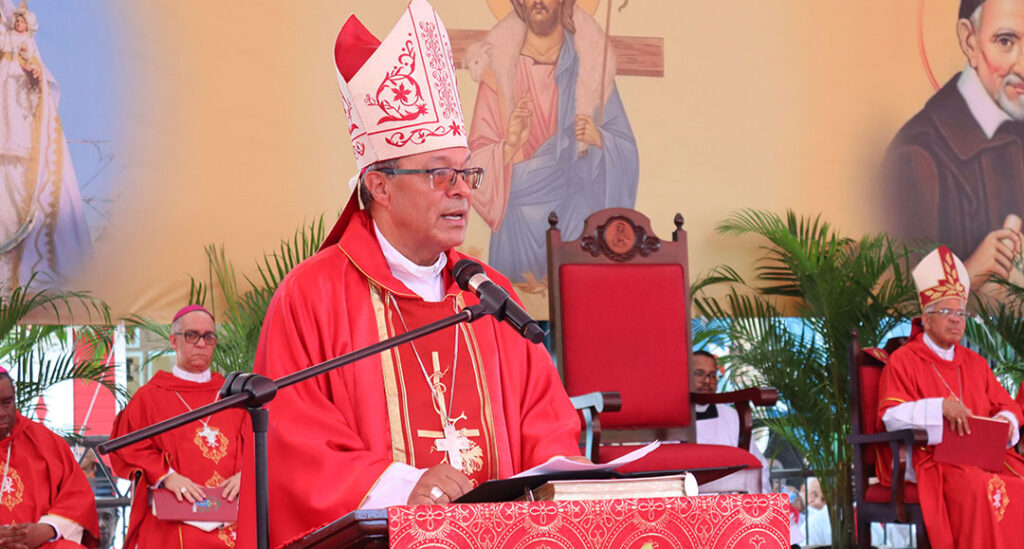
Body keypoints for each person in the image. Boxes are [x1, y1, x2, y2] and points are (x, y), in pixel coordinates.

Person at [236, 1, 583, 546]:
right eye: (439, 174)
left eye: (466, 172)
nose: (463, 190)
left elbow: (545, 416)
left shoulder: (489, 292)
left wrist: (564, 469)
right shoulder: (314, 294)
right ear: (379, 186)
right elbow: (292, 440)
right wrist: (401, 487)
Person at [466, 0, 639, 284]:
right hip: (516, 228)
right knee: (514, 319)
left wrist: (600, 140)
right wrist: (509, 145)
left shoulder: (592, 65)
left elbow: (626, 147)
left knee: (577, 313)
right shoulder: (497, 66)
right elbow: (474, 162)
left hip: (574, 220)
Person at [878, 245, 1024, 549]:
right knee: (977, 486)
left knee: (1017, 482)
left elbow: (1008, 406)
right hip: (933, 458)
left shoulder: (976, 363)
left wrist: (1006, 422)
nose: (957, 320)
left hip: (981, 457)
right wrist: (938, 408)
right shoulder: (904, 360)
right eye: (946, 312)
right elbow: (891, 416)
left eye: (961, 313)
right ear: (926, 317)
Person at [882, 0, 1024, 290]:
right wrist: (969, 272)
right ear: (969, 40)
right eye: (1006, 41)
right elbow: (897, 305)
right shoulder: (917, 155)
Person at [110, 305, 245, 549]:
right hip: (174, 518)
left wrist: (247, 474)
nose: (201, 343)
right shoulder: (149, 397)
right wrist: (165, 476)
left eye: (209, 336)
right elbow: (127, 446)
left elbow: (261, 443)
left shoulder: (234, 396)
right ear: (174, 341)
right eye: (192, 335)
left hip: (232, 516)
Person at [0, 0, 92, 291]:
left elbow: (38, 72)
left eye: (21, 22)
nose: (17, 26)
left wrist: (34, 74)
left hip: (18, 123)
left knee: (17, 185)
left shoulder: (22, 49)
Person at [0, 369, 99, 548]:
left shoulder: (45, 443)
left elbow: (77, 498)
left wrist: (46, 529)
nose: (1, 413)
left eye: (7, 402)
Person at [691, 350, 770, 493]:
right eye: (699, 373)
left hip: (729, 505)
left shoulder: (733, 417)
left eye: (713, 375)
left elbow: (758, 465)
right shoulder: (671, 419)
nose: (707, 381)